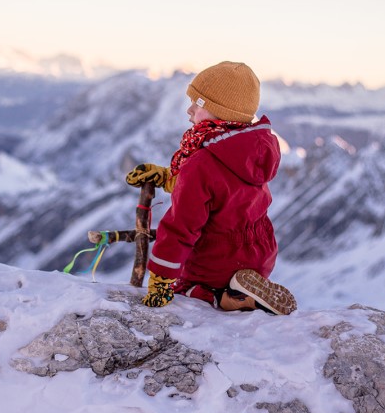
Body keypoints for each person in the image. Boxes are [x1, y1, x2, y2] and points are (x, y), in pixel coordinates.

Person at [125, 61, 296, 315]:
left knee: (187, 286)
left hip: (217, 259)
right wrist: (167, 178)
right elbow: (223, 191)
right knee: (215, 275)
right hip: (259, 254)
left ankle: (226, 298)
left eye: (198, 103)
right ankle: (240, 288)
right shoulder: (248, 149)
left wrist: (161, 279)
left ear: (221, 111)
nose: (189, 110)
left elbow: (181, 227)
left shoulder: (202, 162)